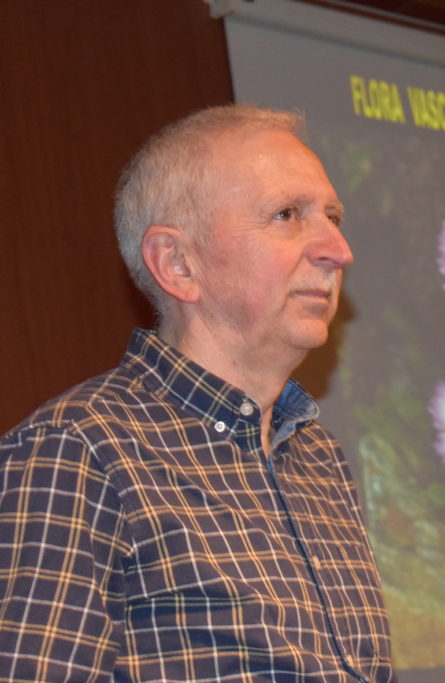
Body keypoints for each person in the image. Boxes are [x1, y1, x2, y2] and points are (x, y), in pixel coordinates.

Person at [0, 104, 395, 682]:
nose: (338, 249)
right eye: (287, 214)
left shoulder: (319, 457)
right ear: (178, 264)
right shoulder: (77, 451)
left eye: (332, 216)